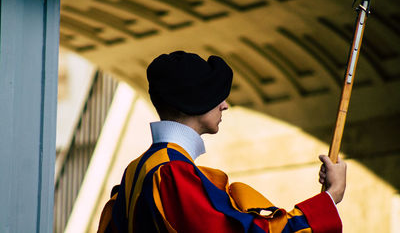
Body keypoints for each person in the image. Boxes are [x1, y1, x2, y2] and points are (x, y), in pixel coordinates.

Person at [98, 51, 347, 233]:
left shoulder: (136, 170)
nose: (225, 105)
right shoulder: (172, 172)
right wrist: (329, 199)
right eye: (217, 96)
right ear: (194, 102)